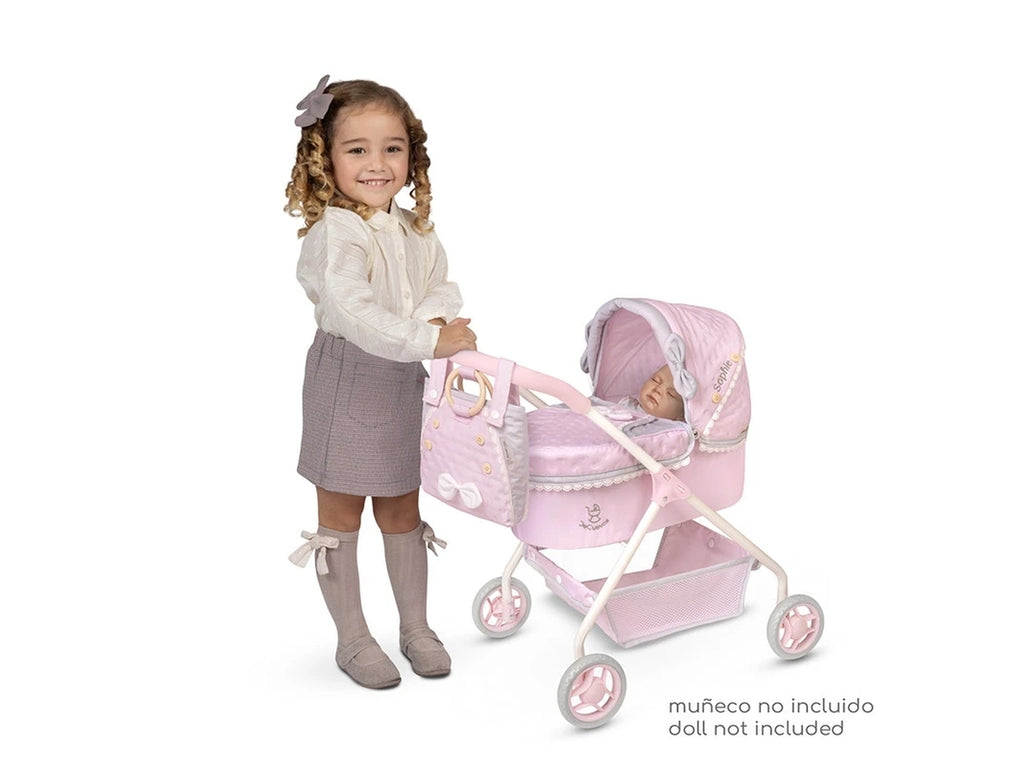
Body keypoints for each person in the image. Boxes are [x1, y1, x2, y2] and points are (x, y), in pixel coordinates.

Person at [284, 76, 477, 689]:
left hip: (402, 381)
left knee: (400, 502)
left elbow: (439, 283)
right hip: (348, 379)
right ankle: (352, 638)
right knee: (342, 508)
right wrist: (429, 340)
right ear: (326, 159)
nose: (377, 164)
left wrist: (435, 320)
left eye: (392, 148)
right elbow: (352, 309)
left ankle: (415, 626)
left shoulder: (416, 229)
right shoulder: (336, 233)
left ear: (412, 156)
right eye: (357, 149)